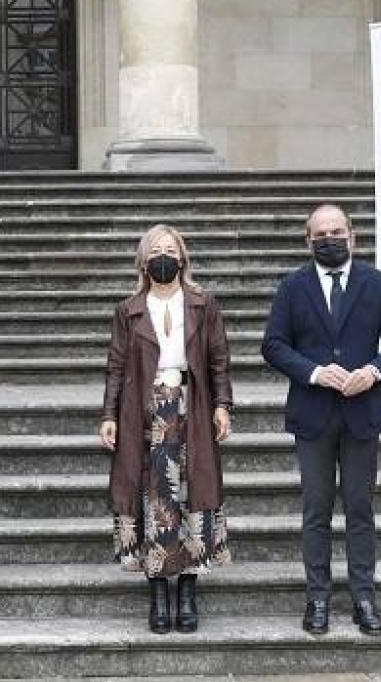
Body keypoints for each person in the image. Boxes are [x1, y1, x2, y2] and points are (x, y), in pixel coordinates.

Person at [261, 203, 381, 637]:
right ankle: (318, 599)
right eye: (321, 233)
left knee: (361, 509)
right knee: (316, 510)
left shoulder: (376, 283)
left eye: (337, 231)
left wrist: (374, 372)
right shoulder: (293, 286)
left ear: (353, 236)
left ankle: (364, 597)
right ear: (308, 241)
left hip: (362, 413)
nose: (330, 239)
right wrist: (313, 371)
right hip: (313, 414)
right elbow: (273, 345)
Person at [99, 224, 233, 634]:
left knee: (193, 496)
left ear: (182, 257)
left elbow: (218, 360)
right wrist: (109, 414)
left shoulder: (203, 304)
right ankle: (158, 591)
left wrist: (223, 405)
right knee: (155, 499)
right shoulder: (129, 310)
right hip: (146, 411)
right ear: (143, 260)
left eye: (170, 249)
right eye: (155, 249)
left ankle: (188, 589)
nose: (163, 255)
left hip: (192, 407)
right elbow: (116, 366)